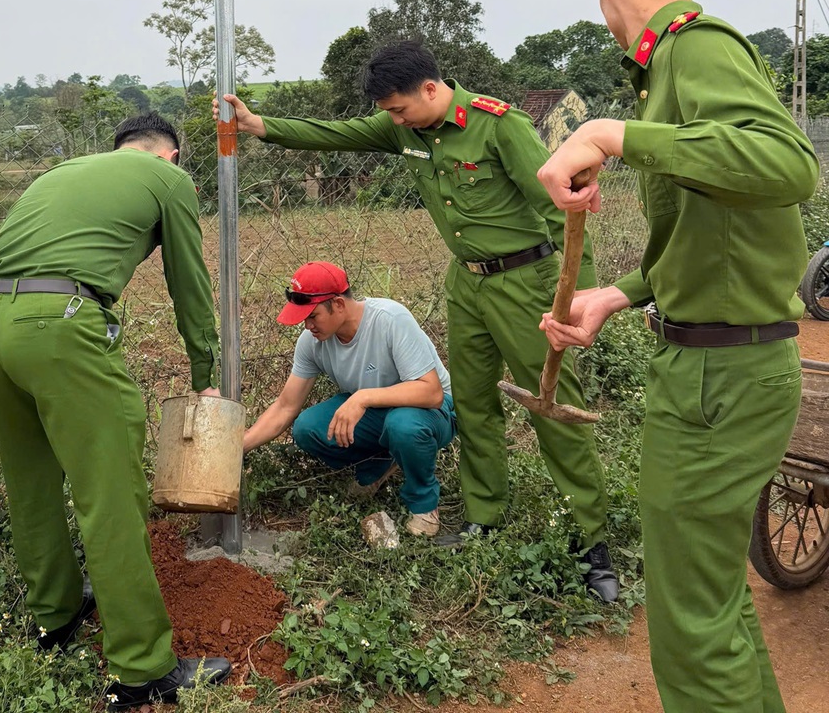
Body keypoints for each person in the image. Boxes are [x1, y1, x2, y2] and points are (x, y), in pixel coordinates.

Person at [535, 0, 819, 713]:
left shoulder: (695, 51)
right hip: (714, 368)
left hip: (718, 383)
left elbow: (787, 165)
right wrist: (617, 295)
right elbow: (711, 234)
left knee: (691, 625)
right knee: (710, 604)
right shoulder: (672, 70)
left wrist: (612, 135)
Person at [214, 42, 618, 601]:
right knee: (476, 404)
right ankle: (484, 516)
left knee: (550, 405)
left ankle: (591, 543)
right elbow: (338, 133)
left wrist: (581, 298)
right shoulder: (405, 129)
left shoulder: (500, 127)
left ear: (431, 88)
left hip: (527, 283)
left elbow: (562, 208)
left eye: (399, 108)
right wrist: (263, 126)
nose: (392, 120)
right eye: (388, 113)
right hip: (468, 285)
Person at [0, 113, 232, 708]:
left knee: (31, 481)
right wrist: (204, 374)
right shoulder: (168, 180)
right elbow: (188, 283)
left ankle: (54, 618)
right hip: (60, 327)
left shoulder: (62, 171)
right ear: (170, 155)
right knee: (109, 494)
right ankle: (141, 669)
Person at [245, 261, 456, 536]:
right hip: (380, 412)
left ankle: (423, 504)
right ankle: (377, 466)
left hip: (430, 411)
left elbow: (431, 392)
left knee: (403, 425)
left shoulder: (389, 319)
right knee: (307, 428)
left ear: (339, 305)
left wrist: (362, 398)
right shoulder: (312, 342)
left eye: (313, 316)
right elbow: (286, 407)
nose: (307, 325)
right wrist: (239, 446)